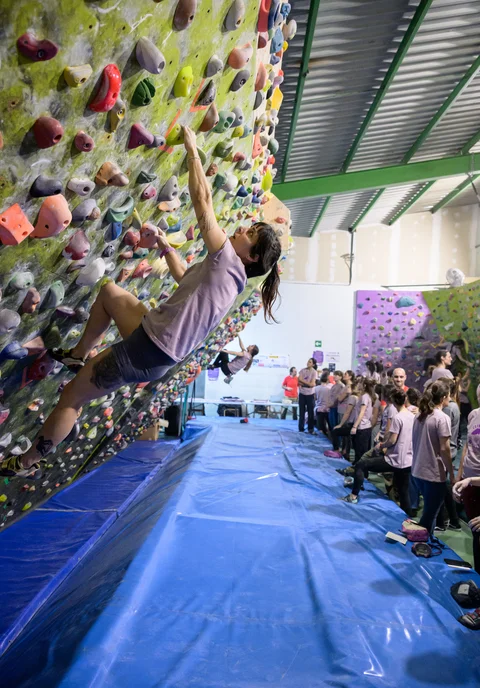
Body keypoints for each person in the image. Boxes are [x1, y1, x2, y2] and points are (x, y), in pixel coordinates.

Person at [1, 126, 282, 479]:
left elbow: (203, 202)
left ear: (252, 256)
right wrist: (165, 246)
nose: (241, 230)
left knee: (72, 396)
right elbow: (184, 279)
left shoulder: (228, 261)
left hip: (147, 351)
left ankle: (26, 463)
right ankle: (78, 355)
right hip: (155, 343)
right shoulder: (229, 278)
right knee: (110, 294)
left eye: (249, 234)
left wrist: (192, 149)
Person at [342, 389, 414, 510]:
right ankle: (408, 516)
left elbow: (392, 440)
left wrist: (381, 445)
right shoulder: (412, 416)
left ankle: (353, 496)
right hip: (408, 460)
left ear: (393, 401)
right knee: (403, 491)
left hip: (395, 459)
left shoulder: (398, 418)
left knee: (361, 465)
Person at [410, 382, 455, 535]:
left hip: (417, 471)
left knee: (430, 512)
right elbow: (444, 449)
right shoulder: (441, 418)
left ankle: (427, 540)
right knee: (429, 515)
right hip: (433, 474)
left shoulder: (419, 415)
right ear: (443, 398)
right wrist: (452, 473)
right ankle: (419, 541)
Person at [453, 383, 480, 572]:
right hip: (470, 480)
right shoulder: (473, 415)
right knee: (475, 533)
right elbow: (468, 447)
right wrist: (461, 475)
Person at [436, 378, 461, 531]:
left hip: (446, 451)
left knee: (441, 487)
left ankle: (442, 521)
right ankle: (452, 520)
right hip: (450, 449)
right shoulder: (454, 406)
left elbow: (443, 433)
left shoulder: (447, 408)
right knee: (443, 487)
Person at [331, 379, 360, 459]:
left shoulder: (352, 397)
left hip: (352, 423)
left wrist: (340, 424)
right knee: (348, 437)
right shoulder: (356, 397)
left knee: (335, 431)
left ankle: (337, 450)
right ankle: (345, 451)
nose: (346, 388)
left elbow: (347, 412)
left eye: (348, 387)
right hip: (353, 422)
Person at [350, 377, 376, 464]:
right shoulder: (368, 396)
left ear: (364, 385)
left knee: (360, 452)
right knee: (361, 451)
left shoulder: (365, 396)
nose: (358, 384)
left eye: (360, 383)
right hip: (365, 426)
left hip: (362, 427)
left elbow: (362, 412)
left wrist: (355, 426)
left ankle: (359, 470)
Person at [298, 358, 317, 434]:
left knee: (310, 412)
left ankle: (310, 428)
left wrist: (303, 382)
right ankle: (301, 428)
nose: (308, 363)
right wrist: (308, 384)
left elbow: (312, 384)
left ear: (313, 364)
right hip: (302, 393)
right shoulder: (302, 370)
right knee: (301, 412)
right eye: (308, 361)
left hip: (310, 394)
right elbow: (299, 381)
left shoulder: (314, 372)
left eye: (310, 362)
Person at [315, 371, 332, 436]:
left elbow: (315, 398)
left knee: (321, 427)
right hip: (328, 408)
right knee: (330, 425)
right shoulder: (330, 388)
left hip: (319, 408)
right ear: (328, 380)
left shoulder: (316, 388)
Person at [459, 369, 472, 436]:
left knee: (469, 419)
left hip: (466, 403)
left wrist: (469, 367)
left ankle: (471, 432)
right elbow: (464, 390)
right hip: (461, 404)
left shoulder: (460, 380)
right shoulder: (456, 382)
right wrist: (468, 384)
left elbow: (466, 375)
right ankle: (459, 436)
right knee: (460, 421)